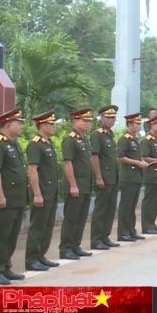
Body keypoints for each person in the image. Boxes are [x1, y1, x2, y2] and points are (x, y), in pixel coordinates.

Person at [0, 109, 27, 285]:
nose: (21, 127)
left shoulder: (14, 143)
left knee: (11, 235)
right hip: (4, 199)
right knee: (0, 236)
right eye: (19, 123)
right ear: (8, 125)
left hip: (17, 198)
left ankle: (5, 267)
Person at [24, 111, 61, 271]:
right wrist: (37, 193)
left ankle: (41, 255)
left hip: (51, 191)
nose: (53, 127)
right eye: (51, 124)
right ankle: (32, 258)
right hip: (42, 192)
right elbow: (32, 169)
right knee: (38, 226)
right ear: (43, 125)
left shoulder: (48, 143)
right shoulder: (35, 144)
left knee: (48, 225)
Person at [59, 108, 95, 261]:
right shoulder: (70, 139)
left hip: (85, 185)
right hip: (76, 185)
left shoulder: (84, 139)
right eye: (84, 121)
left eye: (89, 121)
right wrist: (73, 184)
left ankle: (75, 245)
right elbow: (67, 163)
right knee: (71, 217)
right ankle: (66, 248)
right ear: (75, 121)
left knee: (81, 217)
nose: (87, 123)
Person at [90, 105, 120, 250]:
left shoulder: (110, 134)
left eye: (113, 118)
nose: (110, 120)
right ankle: (96, 239)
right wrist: (98, 177)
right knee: (101, 209)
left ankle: (105, 236)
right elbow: (95, 157)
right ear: (101, 118)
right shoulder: (98, 134)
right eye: (107, 117)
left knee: (110, 208)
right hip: (104, 177)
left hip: (112, 177)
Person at [117, 113, 149, 242]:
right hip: (128, 177)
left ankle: (131, 230)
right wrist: (137, 163)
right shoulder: (124, 139)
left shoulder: (134, 139)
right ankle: (123, 232)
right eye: (137, 124)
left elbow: (135, 156)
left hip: (136, 176)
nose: (139, 126)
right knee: (126, 206)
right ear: (130, 124)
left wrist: (141, 161)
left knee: (132, 206)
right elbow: (120, 157)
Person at [140, 114, 157, 235]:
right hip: (151, 175)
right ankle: (146, 225)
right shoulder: (147, 141)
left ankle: (152, 223)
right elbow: (144, 157)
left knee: (156, 201)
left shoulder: (156, 140)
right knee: (149, 201)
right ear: (152, 125)